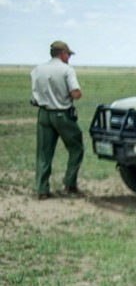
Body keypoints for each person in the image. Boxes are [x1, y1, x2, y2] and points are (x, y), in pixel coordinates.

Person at [30, 40, 84, 200]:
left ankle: (41, 189)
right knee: (76, 147)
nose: (69, 58)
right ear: (63, 54)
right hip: (62, 114)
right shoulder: (67, 70)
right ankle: (70, 184)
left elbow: (34, 94)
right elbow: (76, 93)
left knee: (43, 152)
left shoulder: (37, 69)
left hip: (43, 114)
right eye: (68, 55)